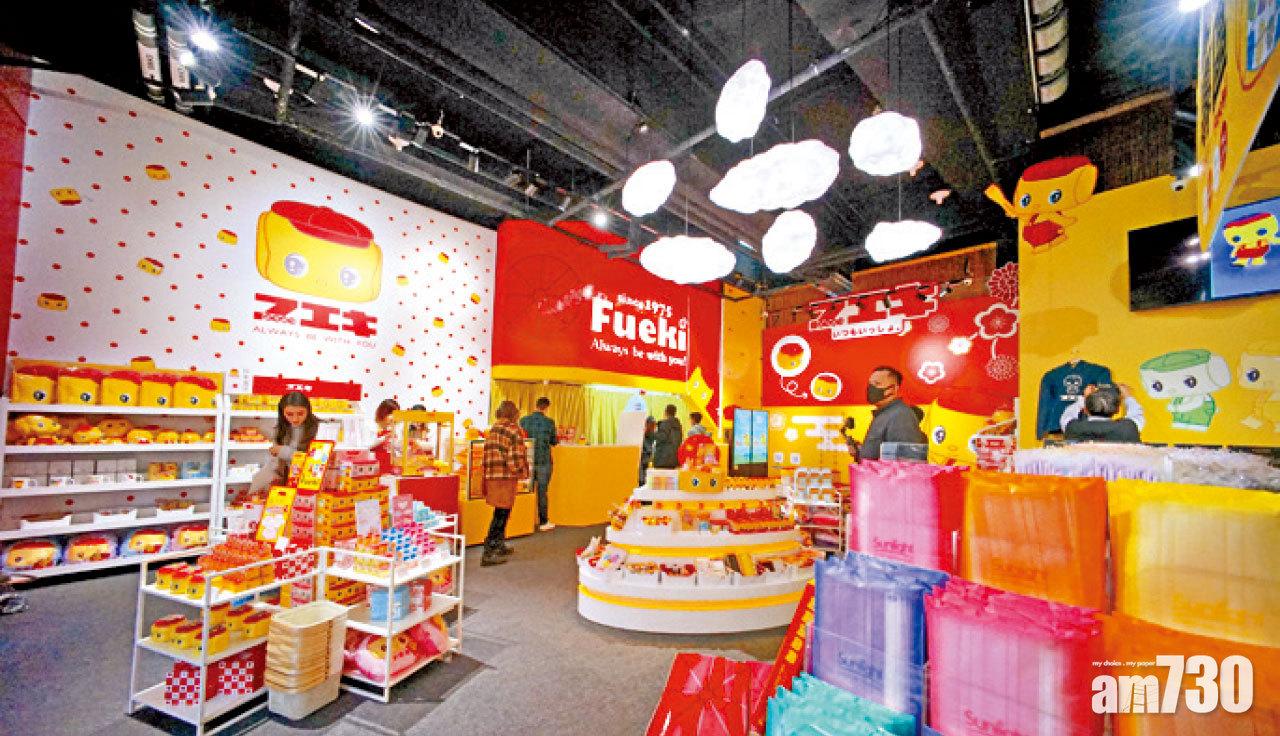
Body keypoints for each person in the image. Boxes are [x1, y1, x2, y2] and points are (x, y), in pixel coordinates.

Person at [481, 400, 530, 566]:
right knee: (501, 514)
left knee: (499, 512)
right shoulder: (513, 430)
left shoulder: (494, 428)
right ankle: (489, 551)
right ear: (513, 413)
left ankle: (498, 545)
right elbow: (515, 458)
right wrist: (522, 472)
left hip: (492, 475)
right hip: (505, 477)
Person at [249, 391, 320, 492]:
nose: (295, 419)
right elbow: (276, 464)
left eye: (300, 414)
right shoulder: (282, 428)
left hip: (309, 482)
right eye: (289, 414)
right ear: (282, 412)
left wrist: (285, 452)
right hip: (284, 479)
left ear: (308, 411)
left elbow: (319, 461)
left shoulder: (321, 428)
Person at [860, 366, 927, 461]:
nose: (871, 388)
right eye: (870, 384)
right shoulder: (884, 414)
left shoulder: (901, 416)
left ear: (894, 388)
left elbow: (906, 462)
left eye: (877, 384)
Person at [519, 397, 559, 531]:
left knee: (525, 492)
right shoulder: (549, 422)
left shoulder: (523, 420)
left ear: (536, 406)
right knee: (542, 492)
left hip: (528, 462)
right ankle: (543, 522)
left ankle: (524, 523)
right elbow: (554, 441)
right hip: (544, 461)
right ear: (546, 408)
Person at [1062, 383, 1144, 443]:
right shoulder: (1128, 428)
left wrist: (1084, 398)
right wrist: (1127, 396)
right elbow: (1136, 412)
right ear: (1117, 410)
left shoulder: (1071, 427)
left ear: (1085, 409)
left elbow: (1069, 413)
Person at [371, 398, 400, 474]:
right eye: (391, 413)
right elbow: (368, 446)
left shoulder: (393, 429)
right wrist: (384, 438)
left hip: (389, 468)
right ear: (383, 413)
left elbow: (395, 447)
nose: (393, 417)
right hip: (375, 467)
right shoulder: (373, 427)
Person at [651, 404, 683, 469]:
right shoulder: (678, 425)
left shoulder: (665, 423)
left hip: (663, 458)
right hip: (674, 458)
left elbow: (662, 437)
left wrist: (652, 433)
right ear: (675, 413)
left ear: (666, 412)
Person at [639, 416, 657, 486]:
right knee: (642, 481)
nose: (654, 427)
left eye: (654, 425)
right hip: (642, 461)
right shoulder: (641, 435)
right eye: (652, 425)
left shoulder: (653, 435)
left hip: (648, 461)